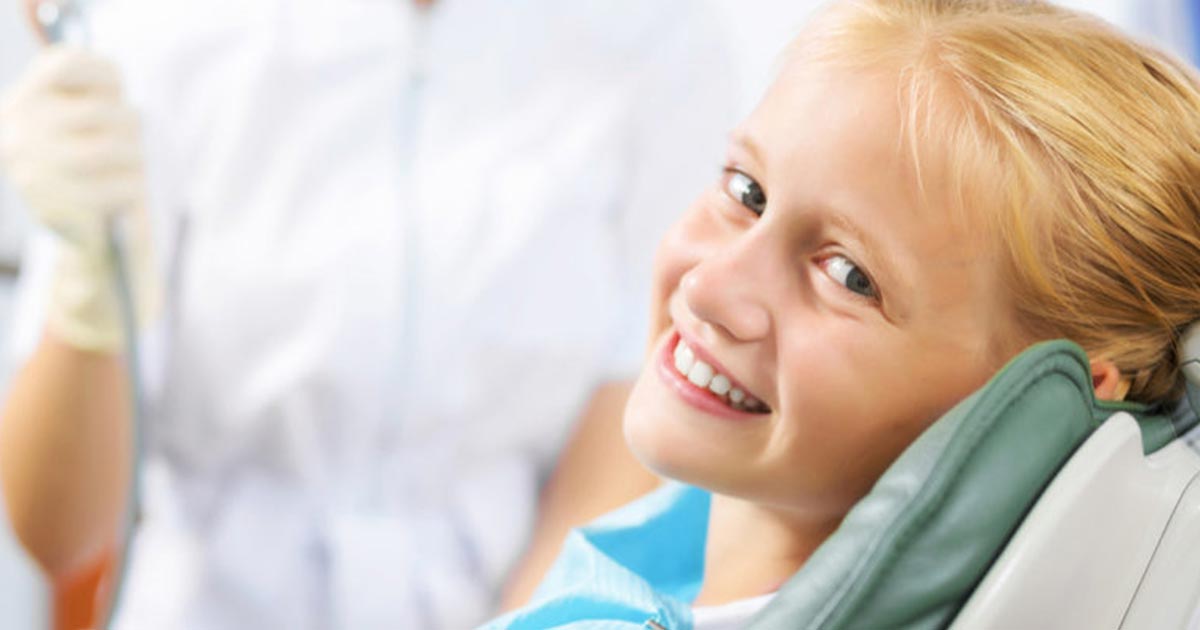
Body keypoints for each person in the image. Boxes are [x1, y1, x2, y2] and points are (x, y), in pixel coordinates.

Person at [0, 0, 736, 627]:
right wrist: (90, 288)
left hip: (510, 600)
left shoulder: (655, 38)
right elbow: (57, 532)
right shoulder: (156, 30)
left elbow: (631, 393)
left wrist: (541, 619)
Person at [488, 0, 1200, 626]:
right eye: (747, 191)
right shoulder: (671, 542)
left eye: (849, 275)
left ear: (1048, 405)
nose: (708, 288)